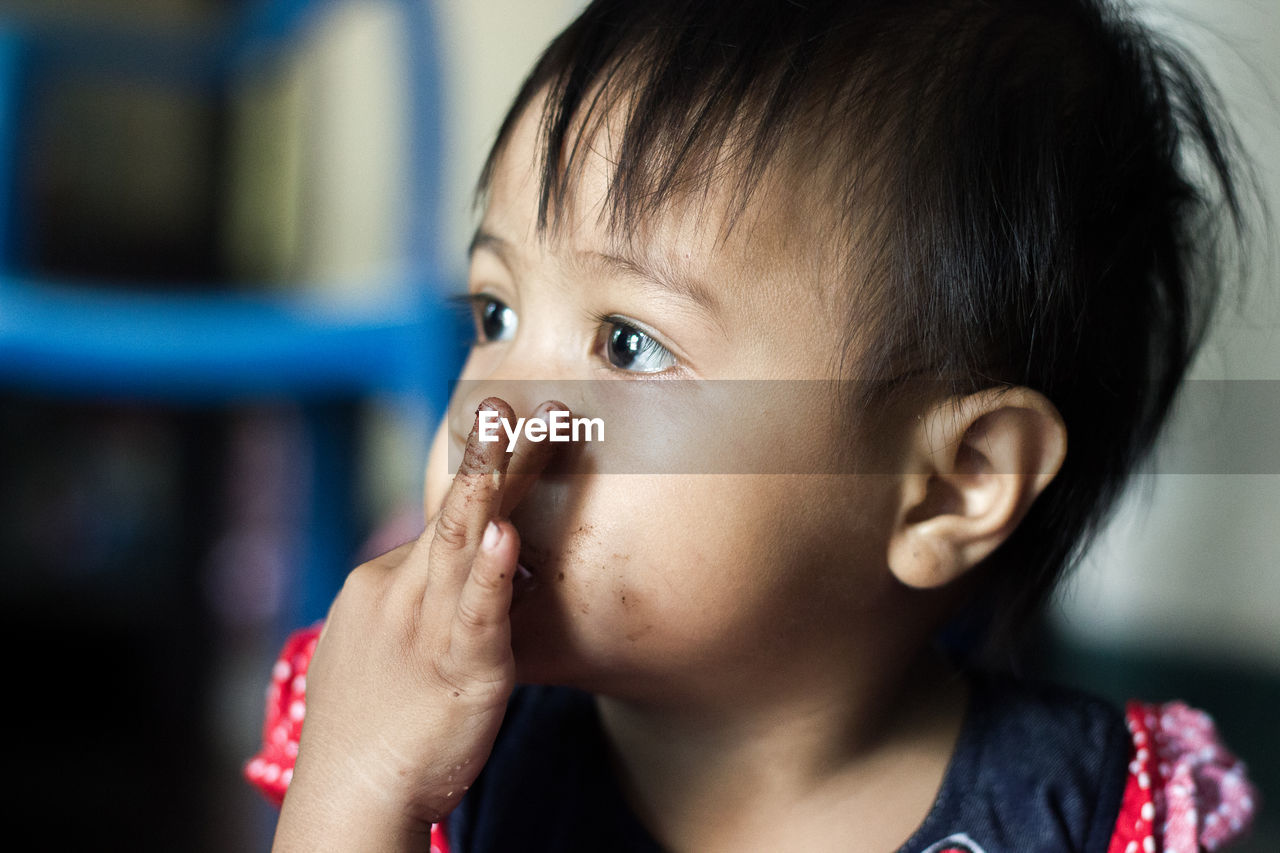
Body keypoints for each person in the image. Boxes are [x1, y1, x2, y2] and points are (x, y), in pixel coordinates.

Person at [246, 0, 1262, 850]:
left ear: (949, 484)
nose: (499, 414)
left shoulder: (1080, 812)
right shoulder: (436, 761)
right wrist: (360, 787)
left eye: (628, 344)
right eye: (495, 313)